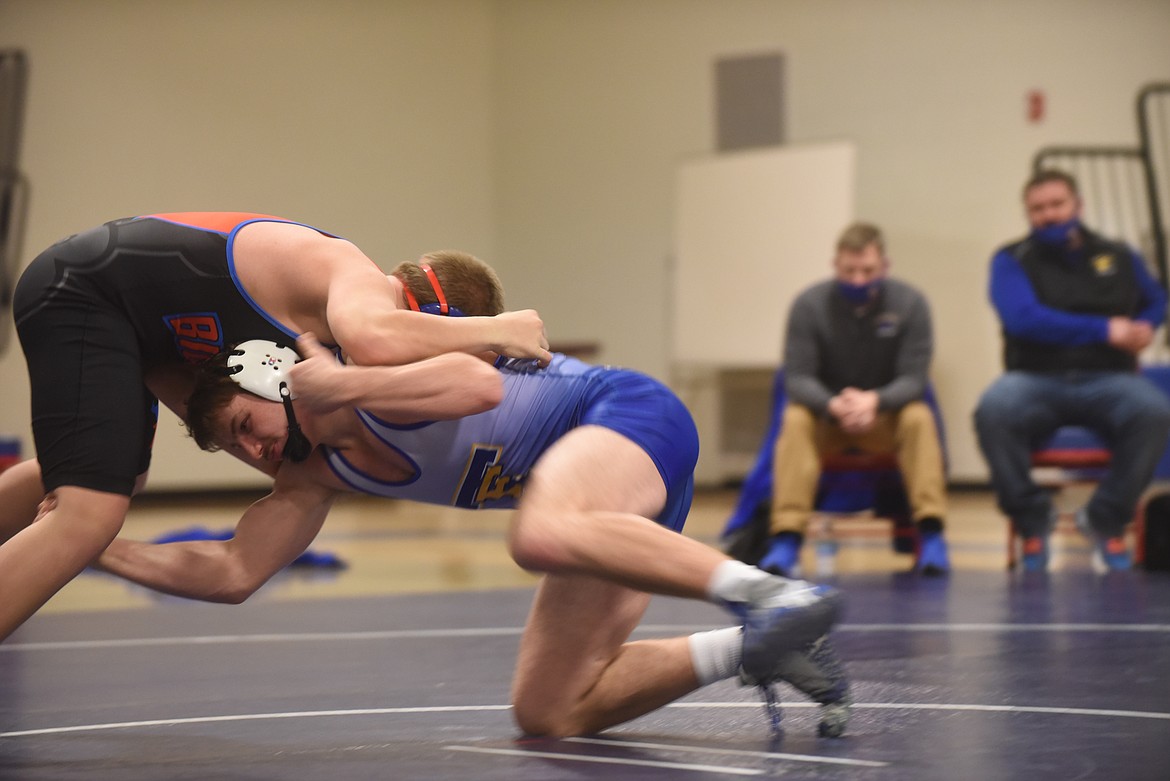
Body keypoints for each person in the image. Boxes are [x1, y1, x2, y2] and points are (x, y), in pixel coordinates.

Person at [91, 252, 852, 739]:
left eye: (246, 424)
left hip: (624, 417)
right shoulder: (313, 474)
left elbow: (477, 378)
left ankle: (768, 594)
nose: (251, 449)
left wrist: (342, 379)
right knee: (550, 709)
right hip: (606, 487)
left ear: (276, 380)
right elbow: (232, 571)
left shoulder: (351, 385)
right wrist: (95, 548)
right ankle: (758, 646)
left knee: (538, 533)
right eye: (233, 445)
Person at [1, 212, 551, 643]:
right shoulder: (352, 280)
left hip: (132, 330)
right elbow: (377, 339)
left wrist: (101, 550)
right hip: (87, 288)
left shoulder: (325, 407)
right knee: (92, 508)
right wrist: (500, 330)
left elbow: (237, 574)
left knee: (107, 483)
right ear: (424, 315)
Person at [973, 170, 1170, 572]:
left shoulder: (1118, 254)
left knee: (1154, 411)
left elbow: (1156, 299)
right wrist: (1104, 329)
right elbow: (1023, 320)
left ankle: (1105, 517)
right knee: (992, 410)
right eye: (1037, 209)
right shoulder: (1011, 259)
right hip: (1033, 380)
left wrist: (1146, 324)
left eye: (1056, 204)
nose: (1048, 215)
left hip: (1109, 381)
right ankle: (1032, 519)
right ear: (1028, 214)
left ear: (1078, 205)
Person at [758, 222, 950, 577]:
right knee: (795, 417)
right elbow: (797, 378)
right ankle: (786, 538)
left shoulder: (911, 304)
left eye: (868, 271)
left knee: (919, 416)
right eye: (850, 271)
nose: (859, 280)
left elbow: (915, 377)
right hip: (827, 420)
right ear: (836, 266)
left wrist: (874, 402)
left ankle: (932, 534)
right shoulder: (808, 305)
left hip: (884, 419)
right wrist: (834, 405)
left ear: (885, 266)